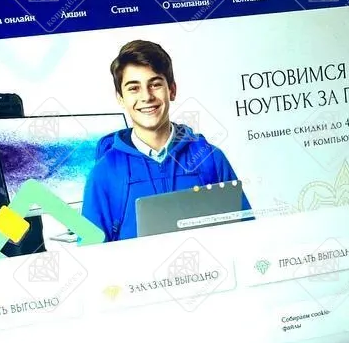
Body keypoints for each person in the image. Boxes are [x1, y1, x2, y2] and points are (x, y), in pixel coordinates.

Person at [81, 39, 246, 241]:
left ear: (172, 90)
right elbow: (91, 254)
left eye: (155, 84)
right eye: (134, 88)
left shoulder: (210, 159)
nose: (146, 97)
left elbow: (246, 236)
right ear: (120, 98)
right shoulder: (104, 174)